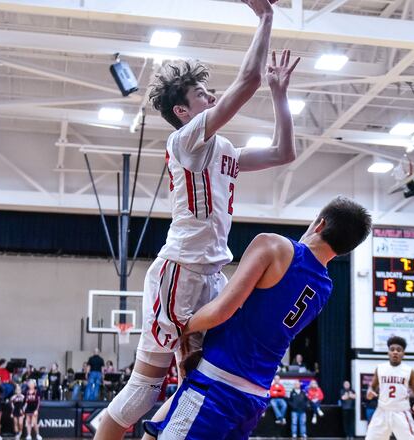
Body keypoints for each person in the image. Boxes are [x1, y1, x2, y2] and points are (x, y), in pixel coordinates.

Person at [95, 1, 299, 438]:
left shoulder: (223, 150)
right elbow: (245, 83)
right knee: (143, 388)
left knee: (200, 378)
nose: (210, 96)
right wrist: (265, 18)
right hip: (181, 269)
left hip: (211, 273)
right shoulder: (185, 140)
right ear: (184, 113)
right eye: (202, 96)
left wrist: (280, 96)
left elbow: (285, 152)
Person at [146, 196, 371, 439]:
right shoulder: (325, 288)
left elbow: (222, 310)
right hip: (254, 397)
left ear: (320, 224)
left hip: (218, 384)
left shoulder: (274, 246)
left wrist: (180, 327)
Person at [365, 336, 414, 440]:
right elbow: (372, 387)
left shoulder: (409, 371)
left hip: (401, 411)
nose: (395, 352)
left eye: (399, 350)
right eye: (392, 349)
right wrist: (369, 392)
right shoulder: (380, 368)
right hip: (382, 411)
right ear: (388, 352)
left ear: (403, 353)